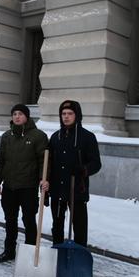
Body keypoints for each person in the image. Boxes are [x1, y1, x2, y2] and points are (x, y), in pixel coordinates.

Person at [0, 104, 48, 262]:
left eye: (20, 114)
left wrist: (43, 180)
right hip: (9, 186)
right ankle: (9, 251)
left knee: (29, 220)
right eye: (14, 114)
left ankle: (30, 253)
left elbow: (43, 161)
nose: (17, 116)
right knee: (10, 220)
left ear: (27, 116)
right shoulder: (6, 136)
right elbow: (1, 160)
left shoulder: (38, 136)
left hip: (28, 187)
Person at [42, 100, 101, 247]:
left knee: (79, 226)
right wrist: (45, 183)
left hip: (77, 189)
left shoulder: (87, 137)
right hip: (57, 189)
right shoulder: (55, 137)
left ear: (77, 115)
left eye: (70, 113)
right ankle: (57, 251)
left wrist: (83, 169)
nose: (66, 116)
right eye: (63, 113)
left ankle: (79, 254)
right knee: (57, 225)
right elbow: (48, 164)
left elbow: (96, 163)